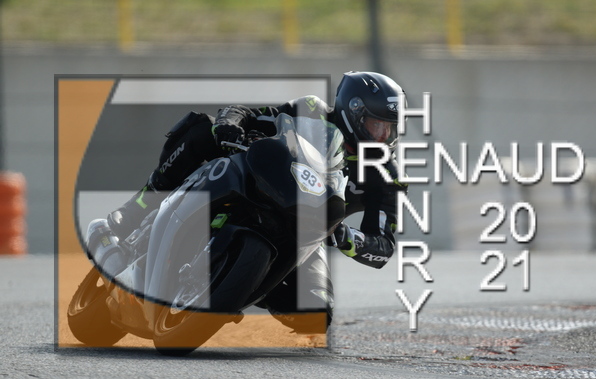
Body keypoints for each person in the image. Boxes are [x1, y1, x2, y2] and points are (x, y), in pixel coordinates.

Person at [106, 71, 408, 333]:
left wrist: (347, 237)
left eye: (390, 128)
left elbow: (383, 247)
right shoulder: (311, 110)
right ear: (353, 112)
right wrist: (229, 124)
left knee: (316, 314)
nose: (384, 136)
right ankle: (139, 206)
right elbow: (246, 112)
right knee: (202, 127)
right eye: (377, 125)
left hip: (306, 234)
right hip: (258, 183)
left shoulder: (388, 175)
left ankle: (244, 286)